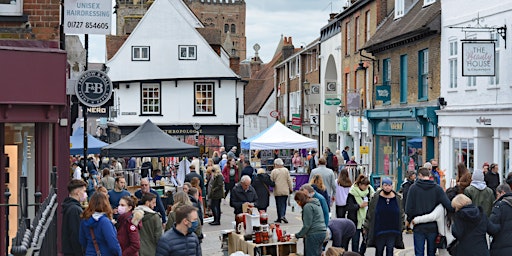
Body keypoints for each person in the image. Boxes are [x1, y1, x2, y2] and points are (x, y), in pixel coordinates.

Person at [405, 167, 454, 256]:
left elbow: (408, 209)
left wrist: (410, 219)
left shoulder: (413, 188)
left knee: (419, 253)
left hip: (418, 226)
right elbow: (448, 205)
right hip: (433, 226)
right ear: (429, 175)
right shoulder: (437, 189)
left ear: (420, 175)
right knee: (431, 253)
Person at [363, 177, 405, 256]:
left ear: (392, 186)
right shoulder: (375, 197)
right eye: (385, 185)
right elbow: (370, 213)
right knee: (379, 250)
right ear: (382, 186)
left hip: (393, 230)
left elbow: (401, 213)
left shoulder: (397, 198)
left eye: (389, 185)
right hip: (379, 230)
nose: (387, 187)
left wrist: (402, 226)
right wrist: (366, 227)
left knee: (390, 250)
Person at [293, 190, 327, 256]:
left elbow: (307, 225)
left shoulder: (307, 207)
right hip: (322, 232)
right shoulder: (315, 204)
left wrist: (298, 235)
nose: (298, 204)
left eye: (298, 201)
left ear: (301, 200)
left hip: (313, 234)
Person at [348, 174, 374, 255]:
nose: (366, 187)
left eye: (367, 185)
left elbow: (374, 202)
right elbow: (349, 206)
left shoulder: (370, 191)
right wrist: (359, 206)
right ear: (359, 185)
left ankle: (361, 253)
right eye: (364, 185)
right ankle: (355, 254)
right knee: (355, 241)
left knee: (366, 239)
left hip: (366, 220)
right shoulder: (352, 192)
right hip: (355, 219)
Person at [62, 179, 88, 256]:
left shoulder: (70, 206)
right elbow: (76, 234)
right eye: (83, 191)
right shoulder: (75, 210)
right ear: (77, 192)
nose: (85, 194)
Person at [488, 184, 512, 255]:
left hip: (501, 246)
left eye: (497, 194)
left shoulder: (499, 206)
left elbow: (492, 228)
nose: (497, 197)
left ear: (503, 193)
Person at [270, 158, 293, 223]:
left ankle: (280, 217)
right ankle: (282, 215)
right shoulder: (286, 170)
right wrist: (291, 188)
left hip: (277, 190)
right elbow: (289, 180)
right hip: (285, 190)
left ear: (276, 164)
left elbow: (271, 180)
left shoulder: (274, 171)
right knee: (283, 203)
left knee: (278, 204)